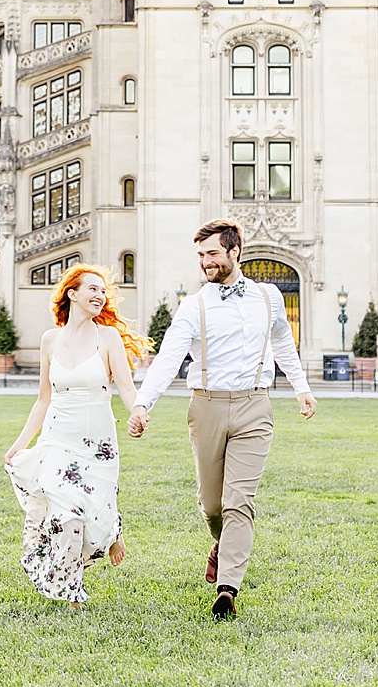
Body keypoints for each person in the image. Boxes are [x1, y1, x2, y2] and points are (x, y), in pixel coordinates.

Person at [128, 219, 316, 619]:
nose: (205, 262)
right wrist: (143, 404)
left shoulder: (269, 297)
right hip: (206, 406)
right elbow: (169, 357)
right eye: (200, 255)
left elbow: (282, 339)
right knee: (212, 505)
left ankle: (228, 587)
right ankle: (220, 542)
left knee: (239, 501)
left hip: (255, 406)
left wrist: (301, 387)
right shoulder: (194, 304)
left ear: (235, 252)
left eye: (212, 254)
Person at [3, 264, 149, 608]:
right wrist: (19, 444)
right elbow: (43, 398)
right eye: (93, 289)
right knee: (66, 515)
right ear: (72, 294)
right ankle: (73, 593)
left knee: (92, 511)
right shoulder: (49, 340)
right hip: (57, 437)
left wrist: (138, 412)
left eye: (103, 291)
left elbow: (126, 388)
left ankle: (112, 529)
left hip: (97, 440)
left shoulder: (108, 337)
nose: (100, 296)